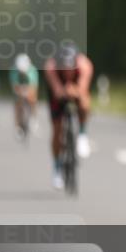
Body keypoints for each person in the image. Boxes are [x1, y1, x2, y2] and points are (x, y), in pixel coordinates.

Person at [43, 44, 93, 189]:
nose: (67, 71)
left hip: (77, 88)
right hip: (58, 91)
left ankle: (82, 134)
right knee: (57, 130)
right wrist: (65, 91)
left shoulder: (85, 65)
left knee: (84, 104)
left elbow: (82, 89)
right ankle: (57, 168)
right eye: (64, 68)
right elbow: (57, 91)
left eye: (70, 68)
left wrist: (75, 91)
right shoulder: (51, 67)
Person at [10, 53, 39, 136]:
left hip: (29, 86)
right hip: (19, 87)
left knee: (33, 99)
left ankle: (34, 118)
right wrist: (20, 93)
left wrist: (29, 93)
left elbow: (34, 87)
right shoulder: (13, 71)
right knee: (17, 103)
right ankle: (17, 125)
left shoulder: (32, 70)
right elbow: (14, 86)